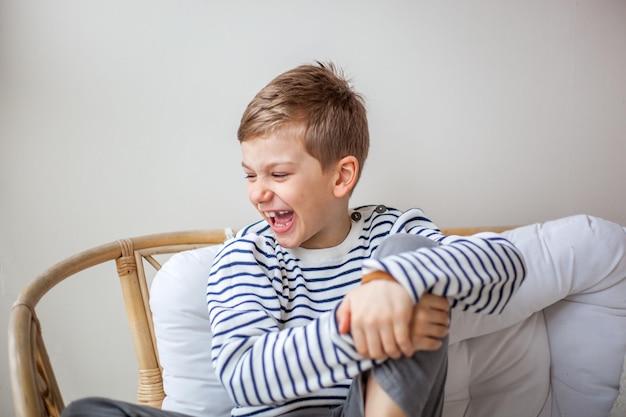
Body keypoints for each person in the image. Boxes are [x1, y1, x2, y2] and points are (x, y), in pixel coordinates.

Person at [61, 62, 525, 417]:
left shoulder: (391, 230)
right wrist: (361, 333)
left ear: (341, 176)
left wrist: (393, 282)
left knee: (414, 263)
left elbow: (507, 265)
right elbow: (244, 379)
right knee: (88, 412)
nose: (259, 193)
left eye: (278, 174)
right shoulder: (246, 256)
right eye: (249, 175)